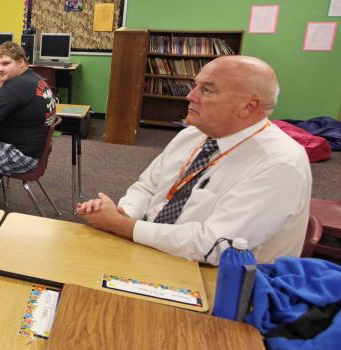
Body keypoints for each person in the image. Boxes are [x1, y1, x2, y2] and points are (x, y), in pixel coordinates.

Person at [76, 55, 312, 265]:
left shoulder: (280, 163)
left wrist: (122, 226)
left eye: (207, 90)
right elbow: (147, 186)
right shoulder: (193, 134)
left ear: (248, 107)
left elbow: (214, 245)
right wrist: (124, 212)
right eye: (195, 86)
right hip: (157, 249)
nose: (190, 96)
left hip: (222, 282)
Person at [0, 41, 56, 194]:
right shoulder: (34, 79)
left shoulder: (17, 86)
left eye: (6, 63)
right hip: (34, 150)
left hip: (21, 155)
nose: (0, 69)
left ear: (21, 62)